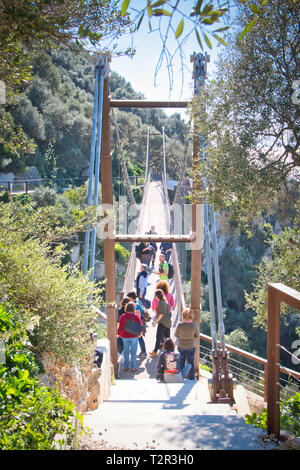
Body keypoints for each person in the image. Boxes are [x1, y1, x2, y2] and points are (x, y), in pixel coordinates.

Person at [174, 308, 200, 380]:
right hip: (191, 346)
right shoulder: (194, 325)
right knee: (191, 363)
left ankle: (180, 377)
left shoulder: (180, 325)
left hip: (181, 346)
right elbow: (197, 335)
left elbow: (176, 335)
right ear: (192, 316)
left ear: (183, 315)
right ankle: (192, 378)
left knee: (181, 362)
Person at [117, 302, 143, 372]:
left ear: (126, 308)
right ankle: (134, 367)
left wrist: (119, 334)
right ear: (133, 309)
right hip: (134, 336)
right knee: (134, 352)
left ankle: (126, 366)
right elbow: (141, 325)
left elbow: (120, 326)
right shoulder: (136, 316)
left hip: (125, 336)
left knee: (126, 351)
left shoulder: (123, 316)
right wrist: (140, 333)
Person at [149, 289, 171, 358]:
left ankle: (155, 352)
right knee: (167, 338)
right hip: (168, 322)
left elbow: (161, 314)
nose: (154, 296)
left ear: (157, 295)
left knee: (158, 337)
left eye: (155, 295)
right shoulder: (165, 301)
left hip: (162, 322)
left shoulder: (161, 302)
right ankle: (170, 352)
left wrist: (155, 322)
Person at [127, 291, 147, 357]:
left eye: (129, 298)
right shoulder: (138, 301)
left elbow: (138, 315)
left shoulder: (136, 304)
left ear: (131, 298)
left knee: (139, 337)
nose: (128, 299)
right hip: (141, 322)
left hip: (138, 323)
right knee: (137, 337)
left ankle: (143, 352)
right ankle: (140, 351)